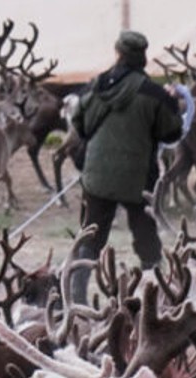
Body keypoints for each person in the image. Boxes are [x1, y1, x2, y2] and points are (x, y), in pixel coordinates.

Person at [66, 26, 185, 283]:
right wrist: (172, 103)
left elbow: (79, 123)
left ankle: (75, 292)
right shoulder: (153, 93)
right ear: (142, 56)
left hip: (96, 175)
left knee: (91, 234)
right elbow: (172, 133)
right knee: (145, 235)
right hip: (138, 179)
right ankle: (155, 289)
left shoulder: (97, 86)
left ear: (118, 53)